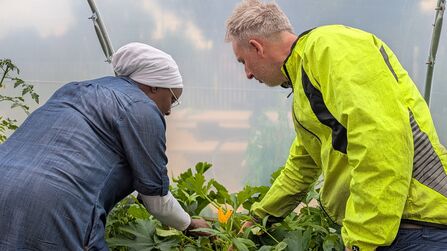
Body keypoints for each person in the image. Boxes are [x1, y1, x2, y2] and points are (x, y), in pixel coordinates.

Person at [225, 1, 447, 250]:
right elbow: (302, 165)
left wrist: (361, 241)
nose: (247, 74)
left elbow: (381, 139)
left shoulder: (331, 47)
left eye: (242, 61)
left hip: (416, 224)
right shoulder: (305, 77)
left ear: (257, 47)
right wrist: (259, 218)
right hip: (395, 226)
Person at [0, 42, 209, 250]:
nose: (170, 111)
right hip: (57, 208)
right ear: (154, 85)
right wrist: (189, 224)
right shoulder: (143, 109)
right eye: (173, 99)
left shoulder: (74, 89)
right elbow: (155, 198)